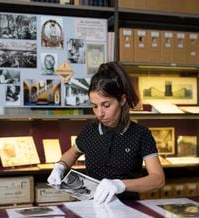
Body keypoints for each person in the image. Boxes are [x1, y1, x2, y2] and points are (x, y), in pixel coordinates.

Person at [47, 61, 165, 204]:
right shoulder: (90, 131)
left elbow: (158, 179)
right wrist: (60, 166)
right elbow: (72, 153)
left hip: (127, 208)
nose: (100, 113)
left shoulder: (140, 134)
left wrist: (120, 185)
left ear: (122, 100)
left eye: (106, 105)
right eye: (94, 106)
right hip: (91, 206)